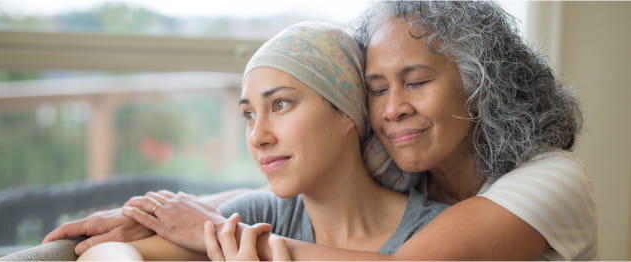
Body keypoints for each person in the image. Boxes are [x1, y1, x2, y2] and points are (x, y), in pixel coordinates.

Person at [43, 1, 597, 261]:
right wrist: (155, 212)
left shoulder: (550, 180)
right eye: (377, 88)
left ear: (481, 85)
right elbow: (256, 200)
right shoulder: (400, 162)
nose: (393, 108)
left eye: (416, 81)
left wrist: (233, 242)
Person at [73, 20, 448, 261]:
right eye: (249, 115)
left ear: (348, 110)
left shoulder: (437, 236)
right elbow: (109, 254)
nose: (258, 136)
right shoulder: (261, 217)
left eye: (280, 104)